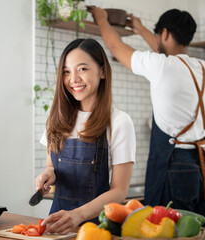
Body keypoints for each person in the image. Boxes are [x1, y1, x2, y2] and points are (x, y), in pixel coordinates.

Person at [91, 7, 205, 239]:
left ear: (165, 33)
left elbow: (117, 48)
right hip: (203, 167)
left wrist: (101, 19)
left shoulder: (162, 66)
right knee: (201, 233)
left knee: (166, 232)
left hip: (175, 166)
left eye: (160, 36)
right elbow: (164, 51)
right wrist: (139, 27)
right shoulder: (204, 69)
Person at [35, 38, 136, 234]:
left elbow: (119, 191)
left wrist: (78, 215)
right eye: (66, 71)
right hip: (57, 226)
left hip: (96, 229)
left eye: (82, 69)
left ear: (103, 71)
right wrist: (48, 175)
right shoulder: (56, 118)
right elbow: (51, 164)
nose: (73, 79)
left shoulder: (119, 122)